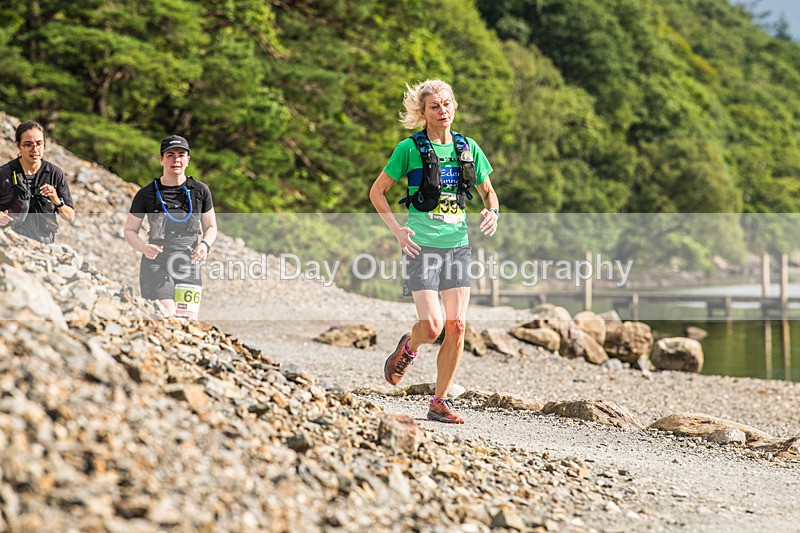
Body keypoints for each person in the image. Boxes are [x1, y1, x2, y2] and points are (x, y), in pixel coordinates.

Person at [369, 79, 499, 424]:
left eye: (447, 104)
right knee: (431, 327)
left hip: (458, 246)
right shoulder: (408, 150)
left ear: (455, 106)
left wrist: (492, 211)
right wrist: (398, 230)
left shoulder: (469, 147)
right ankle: (408, 347)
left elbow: (489, 193)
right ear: (422, 113)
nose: (443, 111)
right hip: (421, 246)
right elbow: (377, 192)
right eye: (434, 107)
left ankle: (438, 401)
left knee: (456, 326)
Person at [123, 135, 217, 317]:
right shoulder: (146, 194)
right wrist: (143, 247)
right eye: (170, 155)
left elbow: (211, 227)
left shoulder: (200, 191)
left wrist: (205, 245)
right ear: (161, 160)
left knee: (187, 321)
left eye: (181, 155)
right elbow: (129, 230)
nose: (176, 160)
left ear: (188, 160)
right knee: (166, 313)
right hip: (156, 263)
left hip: (188, 264)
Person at [0, 121, 75, 243]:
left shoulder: (55, 173)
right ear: (18, 145)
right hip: (10, 244)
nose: (35, 149)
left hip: (43, 249)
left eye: (39, 144)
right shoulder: (4, 173)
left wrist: (56, 200)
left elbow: (70, 216)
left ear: (45, 144)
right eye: (28, 144)